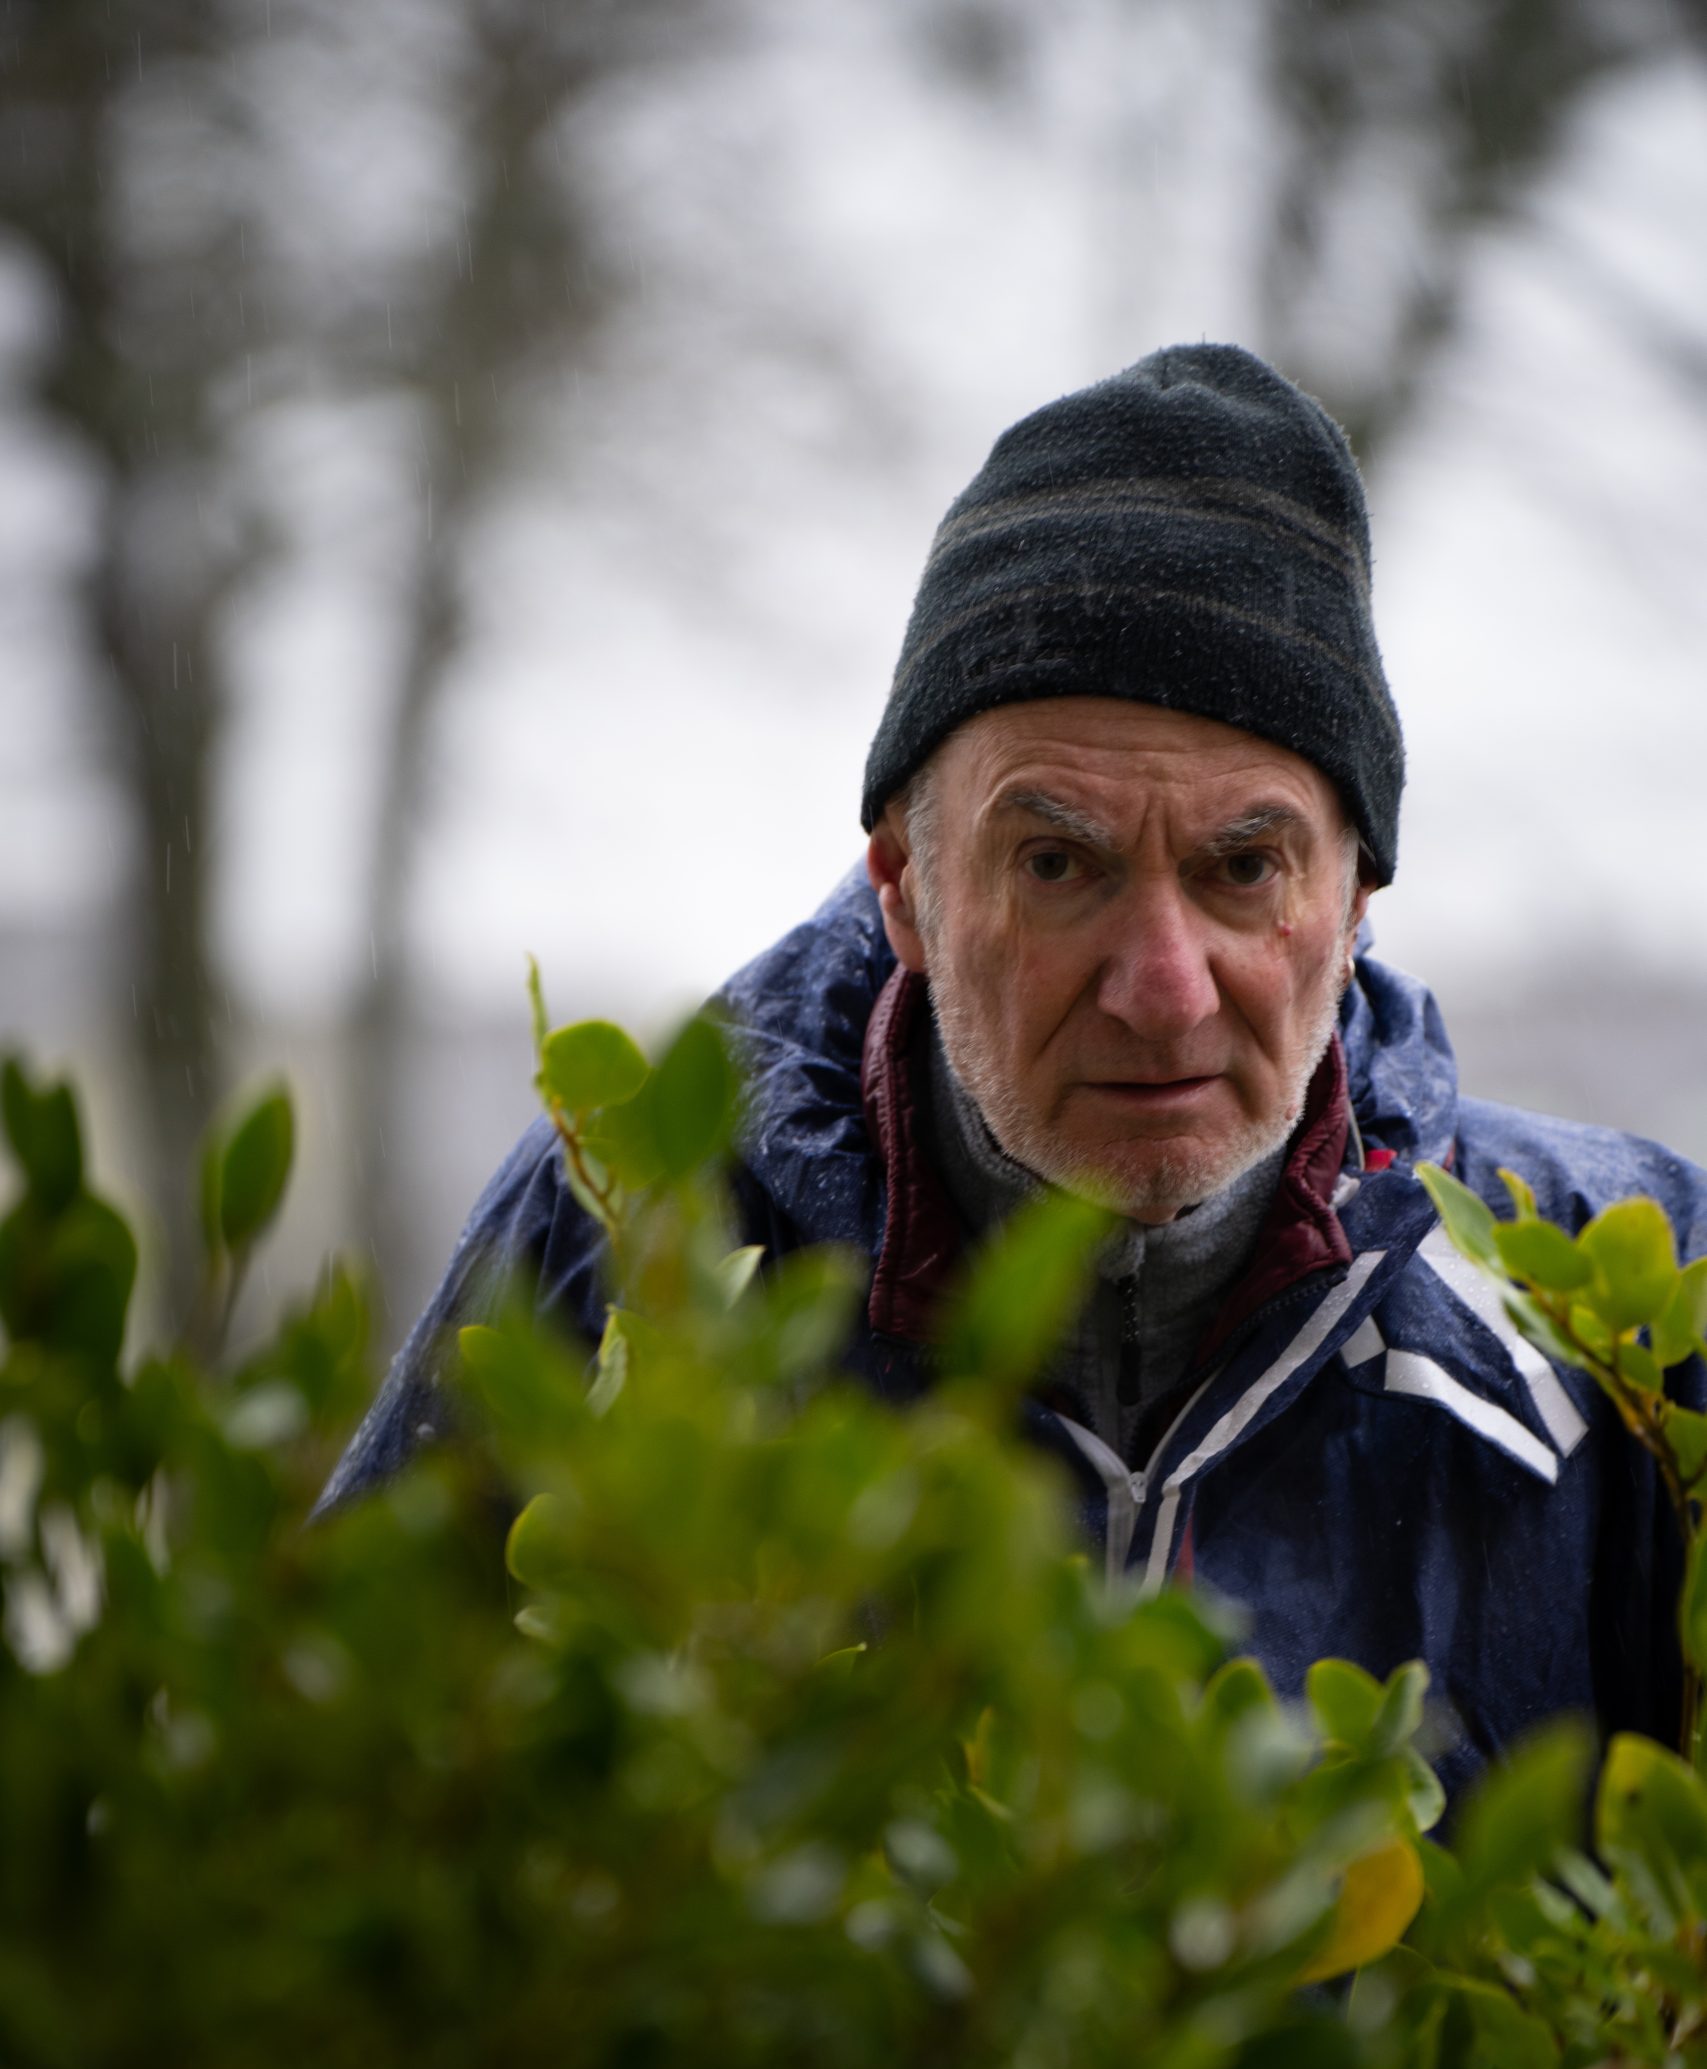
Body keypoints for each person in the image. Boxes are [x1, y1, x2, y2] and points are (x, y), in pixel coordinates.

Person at [322, 342, 1707, 1795]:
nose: (1163, 993)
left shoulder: (1633, 1310)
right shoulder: (631, 1240)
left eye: (1246, 869)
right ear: (905, 889)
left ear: (1357, 896)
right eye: (1058, 863)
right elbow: (317, 1840)